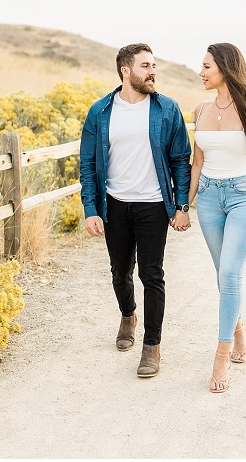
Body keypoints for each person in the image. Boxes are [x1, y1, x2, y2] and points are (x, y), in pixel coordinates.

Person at [79, 43, 192, 378]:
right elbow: (87, 164)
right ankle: (128, 315)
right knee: (119, 271)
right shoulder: (100, 111)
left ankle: (152, 346)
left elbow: (180, 160)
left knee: (151, 275)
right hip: (114, 204)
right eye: (145, 66)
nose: (152, 71)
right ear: (126, 71)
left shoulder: (167, 109)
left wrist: (182, 205)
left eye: (154, 65)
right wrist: (90, 208)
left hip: (154, 204)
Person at [187, 43, 246, 393]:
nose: (201, 72)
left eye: (207, 66)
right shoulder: (200, 109)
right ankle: (240, 331)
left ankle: (222, 354)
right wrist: (185, 205)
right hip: (209, 198)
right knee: (222, 274)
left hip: (244, 196)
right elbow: (196, 164)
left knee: (229, 272)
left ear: (225, 68)